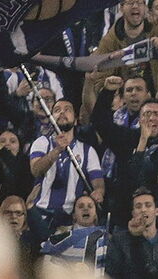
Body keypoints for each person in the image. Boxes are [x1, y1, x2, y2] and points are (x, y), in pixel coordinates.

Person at [28, 98, 105, 238]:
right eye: (57, 110)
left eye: (67, 109)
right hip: (41, 215)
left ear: (75, 120)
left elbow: (98, 183)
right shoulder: (42, 142)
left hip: (70, 219)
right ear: (52, 118)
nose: (62, 112)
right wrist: (57, 150)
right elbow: (36, 170)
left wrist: (99, 192)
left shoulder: (88, 150)